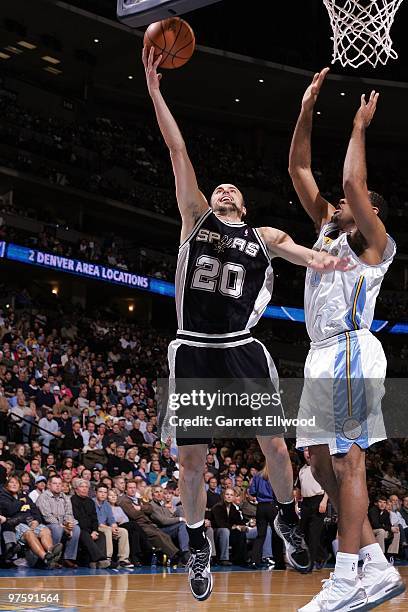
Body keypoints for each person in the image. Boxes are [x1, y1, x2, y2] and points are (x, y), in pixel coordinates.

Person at [142, 46, 351, 602]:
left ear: (245, 203)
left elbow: (317, 258)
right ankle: (197, 543)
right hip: (193, 349)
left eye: (233, 189)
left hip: (242, 347)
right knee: (191, 459)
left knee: (276, 449)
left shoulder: (267, 238)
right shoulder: (194, 220)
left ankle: (286, 516)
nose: (225, 188)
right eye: (220, 187)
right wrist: (156, 91)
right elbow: (177, 148)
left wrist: (342, 255)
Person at [289, 68, 405, 610]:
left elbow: (354, 187)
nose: (342, 204)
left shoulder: (377, 242)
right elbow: (298, 167)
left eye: (355, 206)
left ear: (371, 215)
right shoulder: (327, 230)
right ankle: (375, 562)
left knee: (347, 463)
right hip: (318, 354)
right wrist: (307, 107)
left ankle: (346, 577)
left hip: (352, 350)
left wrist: (359, 126)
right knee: (315, 463)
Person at [0, 475, 63, 568]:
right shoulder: (3, 496)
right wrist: (21, 502)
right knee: (29, 533)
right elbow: (10, 510)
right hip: (16, 524)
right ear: (6, 485)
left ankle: (51, 551)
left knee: (45, 530)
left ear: (20, 485)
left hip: (30, 522)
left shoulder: (24, 496)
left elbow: (35, 510)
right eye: (11, 482)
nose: (14, 484)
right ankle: (45, 557)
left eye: (16, 483)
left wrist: (36, 521)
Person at [36, 475, 81, 568]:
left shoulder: (65, 497)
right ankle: (53, 557)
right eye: (55, 483)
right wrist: (62, 526)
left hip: (62, 524)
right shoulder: (43, 497)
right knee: (57, 528)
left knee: (76, 528)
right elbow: (47, 517)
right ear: (49, 485)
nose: (58, 486)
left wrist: (68, 524)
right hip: (46, 525)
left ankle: (68, 558)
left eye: (60, 484)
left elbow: (69, 513)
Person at [296, 449, 329, 570]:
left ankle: (311, 565)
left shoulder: (320, 467)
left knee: (314, 535)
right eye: (305, 450)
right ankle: (323, 555)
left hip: (319, 500)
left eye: (309, 450)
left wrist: (324, 501)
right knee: (303, 532)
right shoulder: (302, 470)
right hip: (305, 503)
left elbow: (328, 486)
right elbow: (299, 489)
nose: (307, 452)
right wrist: (297, 503)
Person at [248, 464, 285, 569]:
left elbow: (252, 492)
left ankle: (255, 561)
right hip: (272, 506)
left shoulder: (257, 475)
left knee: (260, 535)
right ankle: (279, 562)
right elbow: (277, 492)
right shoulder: (274, 475)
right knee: (276, 535)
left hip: (260, 507)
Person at [70, 479, 110, 568]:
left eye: (86, 487)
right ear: (76, 489)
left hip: (90, 530)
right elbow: (77, 518)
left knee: (101, 535)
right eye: (82, 487)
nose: (84, 489)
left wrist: (94, 530)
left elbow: (94, 519)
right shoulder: (72, 500)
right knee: (84, 534)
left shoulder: (90, 502)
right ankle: (101, 559)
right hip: (79, 529)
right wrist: (89, 531)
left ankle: (95, 563)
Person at [93, 484, 134, 568]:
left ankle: (123, 559)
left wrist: (114, 527)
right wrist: (110, 528)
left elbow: (111, 519)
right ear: (96, 493)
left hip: (106, 526)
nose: (103, 494)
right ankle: (108, 558)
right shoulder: (91, 502)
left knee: (123, 531)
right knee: (108, 530)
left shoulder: (106, 504)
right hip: (96, 526)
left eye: (105, 492)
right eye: (100, 492)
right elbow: (93, 520)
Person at [149, 486, 190, 565]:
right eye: (156, 492)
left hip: (168, 528)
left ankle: (189, 554)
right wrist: (180, 519)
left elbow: (170, 518)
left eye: (161, 492)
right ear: (152, 495)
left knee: (185, 525)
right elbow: (163, 521)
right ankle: (185, 553)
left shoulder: (162, 504)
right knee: (182, 524)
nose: (159, 494)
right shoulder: (152, 506)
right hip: (160, 531)